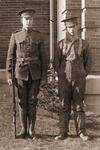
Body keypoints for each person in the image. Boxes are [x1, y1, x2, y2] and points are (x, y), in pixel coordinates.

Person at [6, 8, 47, 139]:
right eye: (26, 19)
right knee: (22, 102)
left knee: (32, 101)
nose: (29, 21)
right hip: (20, 73)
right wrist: (9, 75)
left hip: (35, 74)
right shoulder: (15, 35)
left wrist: (44, 76)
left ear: (33, 20)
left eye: (31, 19)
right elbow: (10, 57)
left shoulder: (38, 35)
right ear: (22, 20)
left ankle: (32, 130)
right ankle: (23, 129)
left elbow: (43, 58)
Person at [54, 12, 90, 141]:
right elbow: (56, 61)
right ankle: (63, 132)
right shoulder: (61, 44)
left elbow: (88, 62)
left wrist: (83, 73)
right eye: (69, 27)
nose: (72, 29)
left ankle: (81, 132)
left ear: (77, 27)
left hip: (79, 76)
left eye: (74, 26)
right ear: (66, 29)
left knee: (79, 105)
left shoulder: (84, 44)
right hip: (64, 76)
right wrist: (60, 74)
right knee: (64, 104)